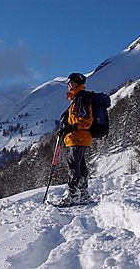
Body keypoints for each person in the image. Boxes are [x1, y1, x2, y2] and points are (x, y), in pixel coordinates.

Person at [58, 72, 93, 205]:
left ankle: (73, 194)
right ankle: (83, 193)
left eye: (70, 82)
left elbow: (86, 120)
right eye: (67, 82)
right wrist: (66, 126)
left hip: (79, 137)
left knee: (73, 164)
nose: (68, 84)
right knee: (80, 164)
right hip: (77, 137)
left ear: (77, 83)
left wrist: (71, 128)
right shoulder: (75, 99)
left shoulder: (82, 97)